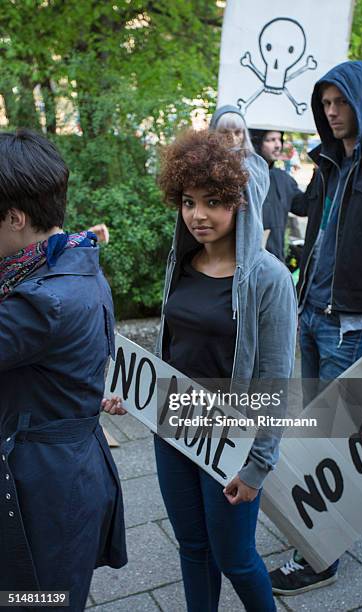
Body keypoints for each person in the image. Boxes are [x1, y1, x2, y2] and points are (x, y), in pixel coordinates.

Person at [105, 126, 297, 611]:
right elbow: (173, 350)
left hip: (231, 441)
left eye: (212, 201)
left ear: (238, 202)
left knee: (234, 558)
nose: (198, 215)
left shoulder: (269, 279)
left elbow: (275, 383)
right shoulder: (182, 263)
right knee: (192, 549)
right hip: (174, 428)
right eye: (189, 202)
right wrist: (134, 392)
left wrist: (257, 467)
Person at [269, 60, 362, 595]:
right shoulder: (328, 161)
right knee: (311, 430)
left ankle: (320, 556)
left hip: (353, 326)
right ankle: (315, 531)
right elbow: (308, 215)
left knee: (334, 437)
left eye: (341, 103)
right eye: (325, 105)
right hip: (311, 312)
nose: (332, 113)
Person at [0, 129, 127, 610]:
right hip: (67, 469)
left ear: (16, 217)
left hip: (44, 486)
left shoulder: (40, 300)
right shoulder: (75, 258)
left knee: (38, 599)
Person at [250, 129, 306, 262]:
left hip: (276, 262)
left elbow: (303, 207)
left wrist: (319, 174)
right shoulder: (244, 178)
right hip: (247, 264)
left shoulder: (282, 178)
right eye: (270, 140)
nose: (277, 145)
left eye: (279, 139)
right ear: (257, 143)